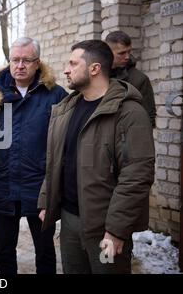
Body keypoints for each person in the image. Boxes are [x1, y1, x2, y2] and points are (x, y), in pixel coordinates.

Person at [38, 40, 155, 274]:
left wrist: (116, 229)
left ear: (94, 69)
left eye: (73, 63)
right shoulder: (66, 109)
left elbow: (137, 175)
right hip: (70, 223)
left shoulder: (129, 112)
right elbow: (56, 160)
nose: (66, 69)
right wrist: (46, 200)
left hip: (106, 230)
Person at [0, 37, 67, 274]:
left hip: (39, 185)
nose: (20, 65)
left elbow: (61, 141)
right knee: (4, 250)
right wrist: (8, 158)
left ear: (37, 62)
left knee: (44, 250)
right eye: (15, 60)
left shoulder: (55, 95)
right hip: (4, 182)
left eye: (26, 60)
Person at [105, 31, 156, 127]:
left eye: (129, 51)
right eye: (122, 53)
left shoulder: (140, 79)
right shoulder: (97, 74)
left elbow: (149, 117)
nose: (127, 57)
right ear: (108, 52)